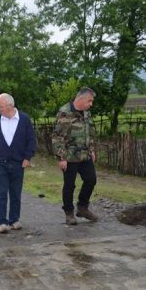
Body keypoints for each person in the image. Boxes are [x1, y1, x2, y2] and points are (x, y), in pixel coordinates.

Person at [0, 93, 36, 234]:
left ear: (10, 106)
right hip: (0, 162)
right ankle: (1, 222)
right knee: (0, 192)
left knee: (16, 192)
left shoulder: (24, 119)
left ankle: (14, 219)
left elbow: (31, 140)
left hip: (18, 162)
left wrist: (28, 157)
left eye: (0, 106)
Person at [52, 87, 99, 225]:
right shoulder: (65, 113)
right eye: (89, 101)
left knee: (91, 180)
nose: (91, 104)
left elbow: (89, 132)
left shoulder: (86, 113)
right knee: (69, 185)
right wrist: (61, 158)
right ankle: (69, 213)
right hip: (69, 157)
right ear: (81, 99)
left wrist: (91, 150)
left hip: (84, 155)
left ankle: (82, 208)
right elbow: (57, 137)